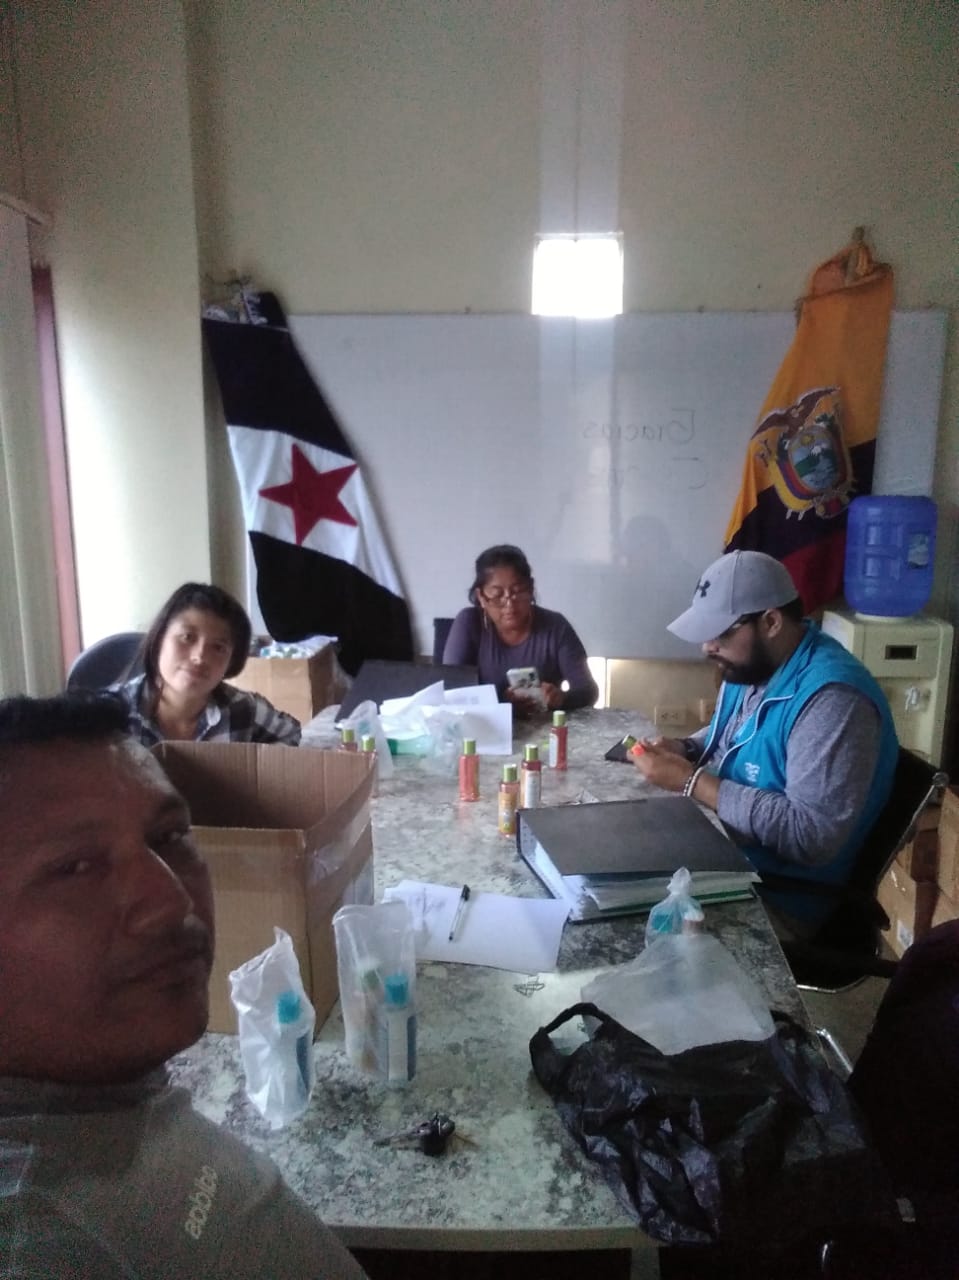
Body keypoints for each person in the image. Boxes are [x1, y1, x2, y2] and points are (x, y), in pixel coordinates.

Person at [0, 691, 366, 1279]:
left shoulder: (101, 1088)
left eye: (169, 838)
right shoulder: (36, 1239)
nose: (171, 900)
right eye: (75, 868)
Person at [632, 549, 898, 930]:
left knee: (630, 924)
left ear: (771, 621)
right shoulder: (755, 666)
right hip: (727, 857)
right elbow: (734, 734)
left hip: (779, 899)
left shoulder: (833, 701)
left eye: (722, 632)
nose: (707, 647)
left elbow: (810, 835)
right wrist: (685, 748)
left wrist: (692, 782)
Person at [115, 581, 301, 746]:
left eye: (218, 647)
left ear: (231, 660)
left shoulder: (243, 708)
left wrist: (255, 769)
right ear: (159, 638)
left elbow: (290, 733)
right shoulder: (114, 715)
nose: (200, 657)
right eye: (187, 637)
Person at [442, 544, 598, 715]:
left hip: (544, 726)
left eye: (518, 591)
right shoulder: (469, 623)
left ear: (530, 589)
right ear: (481, 597)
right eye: (497, 595)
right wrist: (503, 704)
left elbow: (588, 691)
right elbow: (452, 693)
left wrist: (561, 699)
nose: (509, 604)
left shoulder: (556, 626)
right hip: (485, 726)